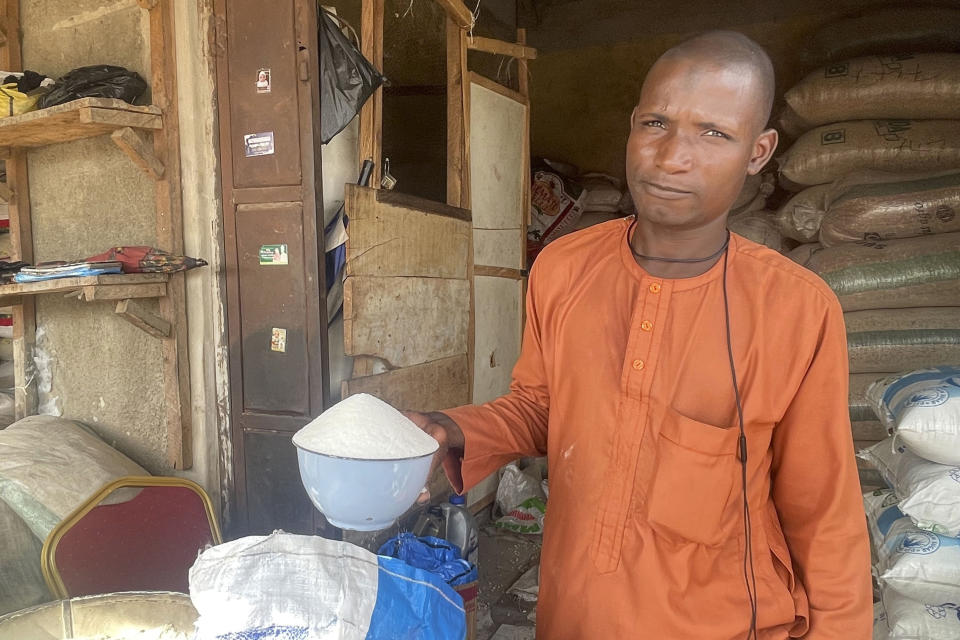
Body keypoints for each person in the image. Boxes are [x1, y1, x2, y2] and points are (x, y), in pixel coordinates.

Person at [406, 30, 871, 639]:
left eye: (713, 133)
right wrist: (455, 428)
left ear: (758, 152)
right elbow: (542, 406)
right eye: (656, 122)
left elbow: (824, 514)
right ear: (631, 126)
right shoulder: (564, 268)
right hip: (574, 614)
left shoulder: (797, 310)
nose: (672, 155)